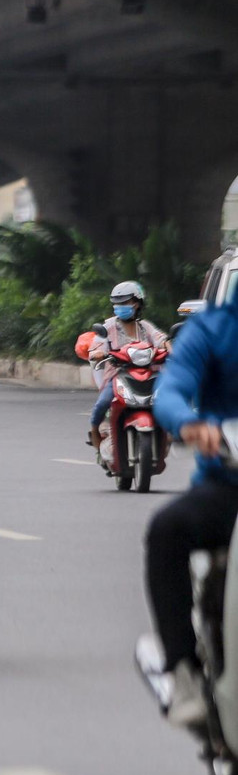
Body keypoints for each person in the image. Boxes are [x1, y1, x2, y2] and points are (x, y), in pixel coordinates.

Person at [146, 290, 238, 728]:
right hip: (227, 487)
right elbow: (171, 389)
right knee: (167, 530)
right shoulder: (213, 328)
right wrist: (188, 422)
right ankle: (182, 669)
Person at [87, 281, 169, 452]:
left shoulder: (145, 327)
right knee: (103, 402)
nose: (121, 307)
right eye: (118, 303)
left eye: (125, 302)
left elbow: (161, 339)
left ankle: (168, 432)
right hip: (118, 376)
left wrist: (170, 348)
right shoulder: (108, 327)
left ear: (137, 304)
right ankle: (94, 430)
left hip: (148, 374)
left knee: (169, 396)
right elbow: (97, 346)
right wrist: (97, 353)